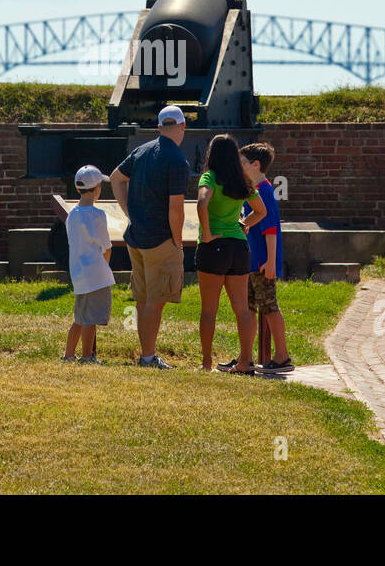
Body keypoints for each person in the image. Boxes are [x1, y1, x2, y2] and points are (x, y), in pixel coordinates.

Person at [109, 105, 191, 369]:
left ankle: (147, 355)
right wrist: (178, 242)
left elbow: (115, 178)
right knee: (156, 303)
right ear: (182, 127)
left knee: (143, 300)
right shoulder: (178, 160)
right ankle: (147, 357)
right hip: (161, 240)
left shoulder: (141, 151)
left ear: (158, 128)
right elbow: (176, 208)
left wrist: (128, 211)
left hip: (136, 237)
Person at [195, 134, 265, 374]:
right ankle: (245, 362)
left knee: (209, 309)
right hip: (239, 247)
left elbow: (202, 203)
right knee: (242, 309)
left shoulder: (209, 177)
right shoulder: (241, 180)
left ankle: (206, 363)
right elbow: (261, 211)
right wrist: (244, 224)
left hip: (214, 247)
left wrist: (206, 233)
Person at [239, 142, 292, 374]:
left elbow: (270, 230)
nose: (238, 168)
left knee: (269, 307)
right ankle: (245, 357)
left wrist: (271, 262)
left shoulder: (265, 191)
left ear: (255, 165)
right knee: (248, 309)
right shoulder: (251, 191)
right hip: (251, 262)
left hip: (262, 262)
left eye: (242, 164)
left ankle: (282, 357)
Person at [63, 164, 115, 364]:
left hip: (78, 272)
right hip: (97, 273)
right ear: (97, 189)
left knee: (80, 317)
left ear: (78, 188)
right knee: (91, 319)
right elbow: (106, 246)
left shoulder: (72, 215)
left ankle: (68, 354)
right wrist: (106, 267)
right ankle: (87, 356)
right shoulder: (98, 215)